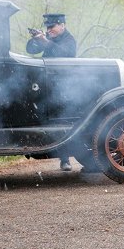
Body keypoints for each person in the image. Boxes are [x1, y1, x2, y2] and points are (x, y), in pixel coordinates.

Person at [26, 13, 77, 171]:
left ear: (62, 25)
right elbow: (30, 49)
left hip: (63, 88)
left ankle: (65, 159)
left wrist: (45, 41)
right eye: (47, 27)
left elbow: (64, 54)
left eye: (52, 27)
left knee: (61, 122)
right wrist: (36, 38)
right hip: (47, 87)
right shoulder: (48, 38)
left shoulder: (69, 40)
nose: (49, 30)